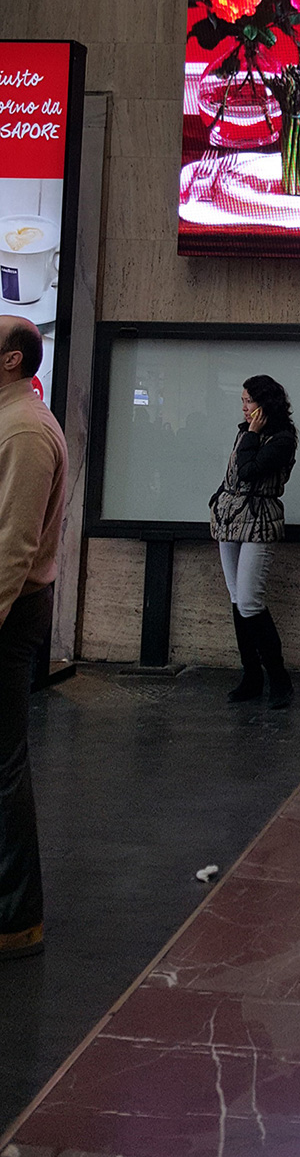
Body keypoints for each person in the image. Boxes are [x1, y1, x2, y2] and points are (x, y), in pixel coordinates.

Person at [0, 317, 67, 962]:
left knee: (2, 762)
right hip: (14, 607)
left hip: (11, 612)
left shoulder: (24, 428)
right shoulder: (13, 420)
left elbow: (14, 546)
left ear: (12, 359)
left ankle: (16, 917)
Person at [210, 375, 296, 709]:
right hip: (229, 520)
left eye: (249, 401)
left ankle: (279, 679)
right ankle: (251, 676)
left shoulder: (282, 438)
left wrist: (253, 434)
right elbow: (232, 475)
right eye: (242, 401)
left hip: (259, 520)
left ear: (265, 404)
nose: (244, 408)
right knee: (236, 598)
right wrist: (217, 499)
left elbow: (248, 471)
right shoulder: (246, 431)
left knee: (249, 601)